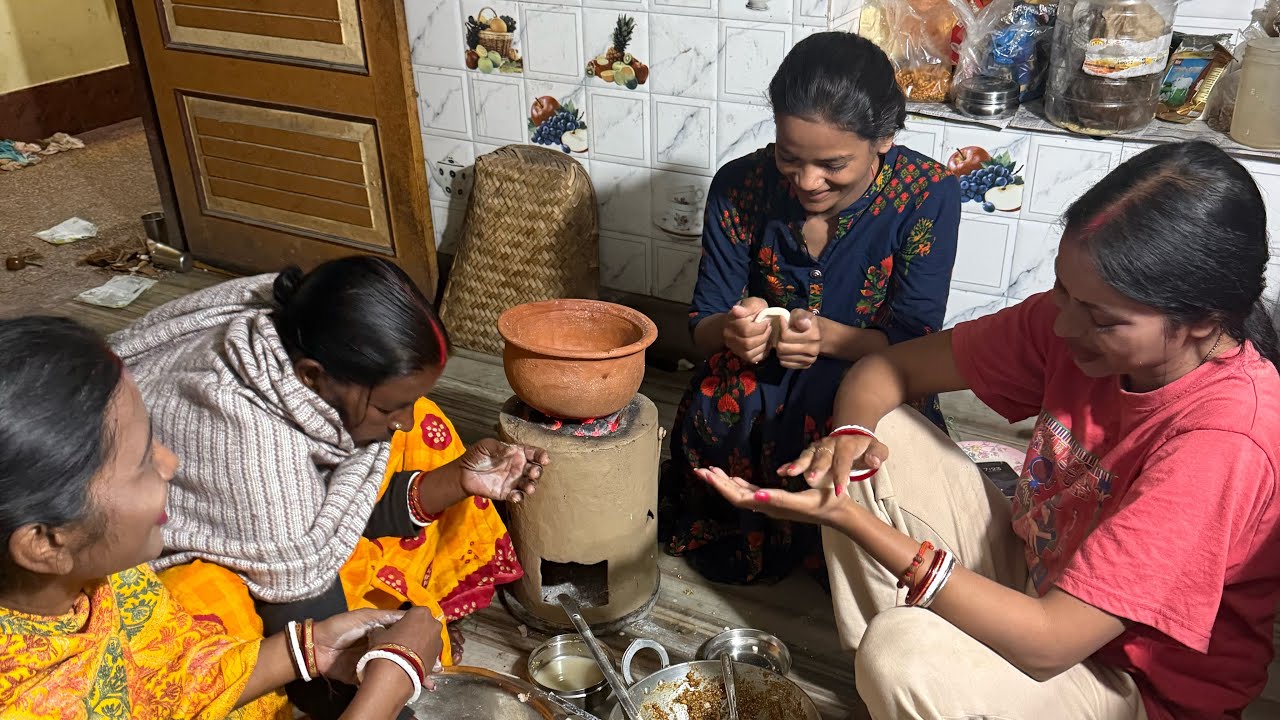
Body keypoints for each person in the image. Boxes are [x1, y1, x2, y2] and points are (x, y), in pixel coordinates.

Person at [700, 140, 1280, 719]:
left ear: (1203, 321)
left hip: (1129, 685)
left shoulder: (1224, 441)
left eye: (1103, 319)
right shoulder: (1070, 320)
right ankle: (916, 693)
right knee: (876, 440)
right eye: (1061, 289)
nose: (1066, 324)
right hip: (1041, 580)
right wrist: (850, 432)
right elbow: (887, 368)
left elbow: (1052, 642)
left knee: (901, 654)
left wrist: (846, 516)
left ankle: (920, 680)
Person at [109, 256, 548, 719]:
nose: (404, 419)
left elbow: (337, 512)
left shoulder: (286, 326)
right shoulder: (255, 459)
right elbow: (316, 671)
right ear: (312, 376)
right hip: (198, 542)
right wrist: (392, 680)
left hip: (265, 510)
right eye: (390, 406)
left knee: (424, 433)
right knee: (223, 606)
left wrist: (459, 478)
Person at [0, 316, 444, 720]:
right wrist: (389, 686)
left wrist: (312, 650)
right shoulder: (29, 702)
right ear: (45, 544)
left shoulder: (109, 582)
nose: (169, 463)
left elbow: (162, 687)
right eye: (140, 463)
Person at [659, 30, 961, 585]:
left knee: (862, 425)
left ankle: (840, 559)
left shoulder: (928, 194)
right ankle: (747, 539)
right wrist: (732, 330)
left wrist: (831, 339)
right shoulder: (740, 186)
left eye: (832, 164)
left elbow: (919, 344)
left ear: (883, 140)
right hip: (761, 368)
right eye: (789, 158)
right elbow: (702, 321)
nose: (806, 181)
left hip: (874, 368)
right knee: (727, 398)